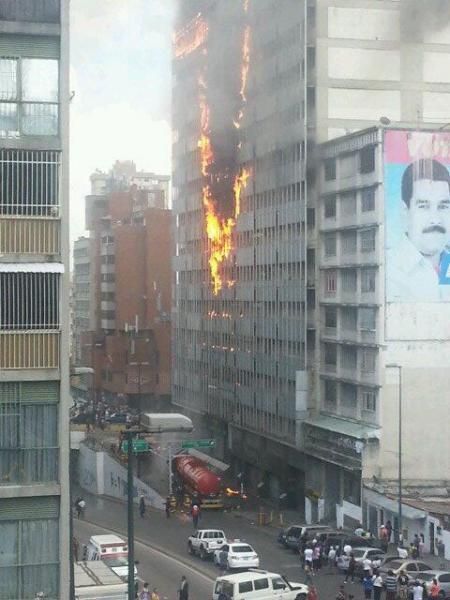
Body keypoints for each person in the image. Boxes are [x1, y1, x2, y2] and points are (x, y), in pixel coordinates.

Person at [386, 157, 450, 302]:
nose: (435, 219)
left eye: (443, 206)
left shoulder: (448, 262)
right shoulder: (388, 272)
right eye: (424, 206)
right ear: (405, 212)